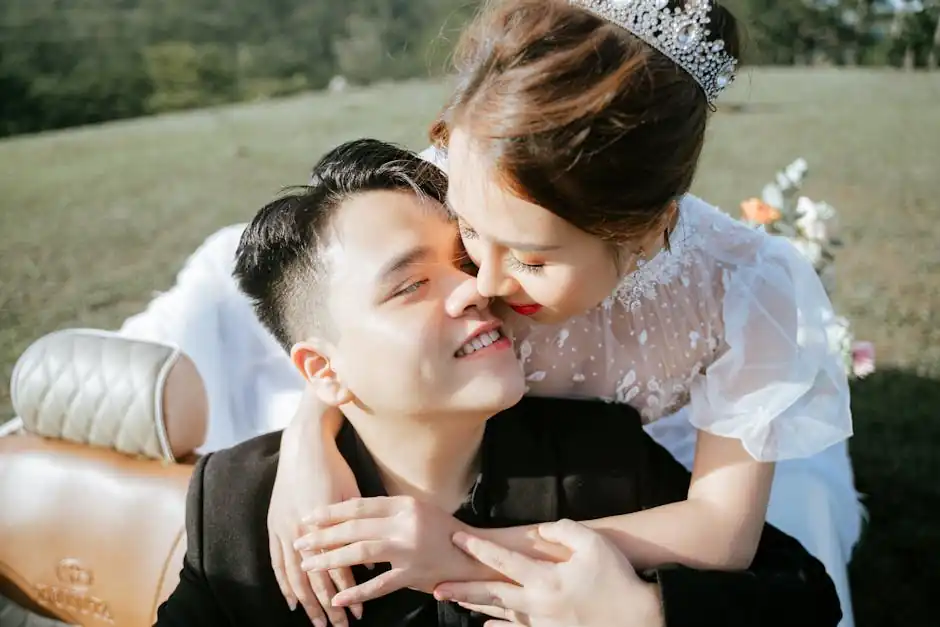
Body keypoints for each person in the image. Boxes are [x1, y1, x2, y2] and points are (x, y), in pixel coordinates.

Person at [266, 1, 860, 625]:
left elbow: (720, 531)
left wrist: (459, 549)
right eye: (469, 228)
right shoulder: (464, 173)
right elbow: (358, 323)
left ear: (646, 231)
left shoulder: (743, 288)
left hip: (642, 482)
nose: (485, 281)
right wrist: (307, 439)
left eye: (531, 259)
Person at [154, 138, 842, 627]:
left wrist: (645, 614)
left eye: (465, 255)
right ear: (322, 371)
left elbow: (804, 597)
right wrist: (310, 432)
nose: (479, 288)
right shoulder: (239, 508)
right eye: (412, 285)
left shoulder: (598, 461)